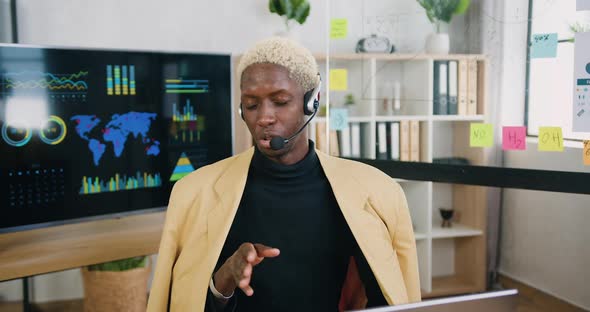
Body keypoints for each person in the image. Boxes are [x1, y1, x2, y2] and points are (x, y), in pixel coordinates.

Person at [146, 37, 420, 312]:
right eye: (252, 105)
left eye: (280, 101)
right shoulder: (193, 193)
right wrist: (225, 279)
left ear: (312, 101)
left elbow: (390, 301)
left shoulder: (377, 192)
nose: (264, 117)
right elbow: (179, 304)